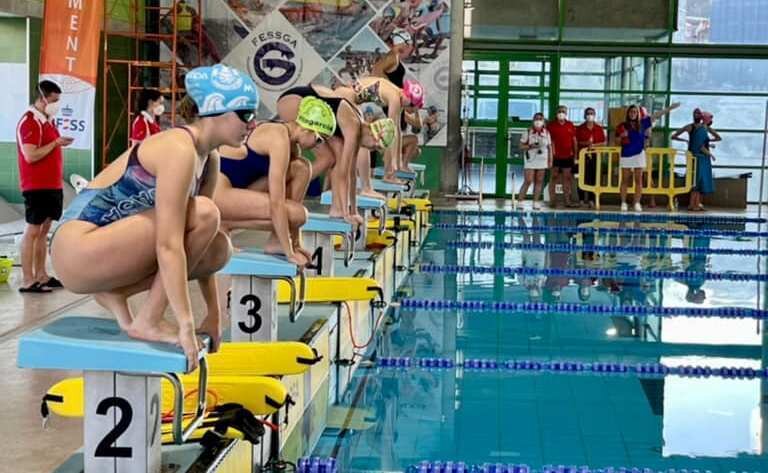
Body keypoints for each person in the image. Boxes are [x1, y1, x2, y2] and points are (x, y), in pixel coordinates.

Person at [51, 64, 259, 368]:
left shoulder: (208, 158)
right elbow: (169, 245)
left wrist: (213, 314)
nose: (252, 124)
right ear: (218, 112)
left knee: (219, 247)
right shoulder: (178, 148)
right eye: (247, 114)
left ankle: (116, 293)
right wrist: (185, 324)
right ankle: (148, 319)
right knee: (204, 214)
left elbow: (201, 239)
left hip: (108, 248)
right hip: (74, 249)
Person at [216, 97, 336, 266]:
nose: (318, 145)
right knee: (298, 214)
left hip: (240, 188)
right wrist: (290, 254)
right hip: (219, 195)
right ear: (307, 129)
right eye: (319, 139)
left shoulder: (291, 143)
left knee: (302, 167)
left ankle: (276, 242)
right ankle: (224, 223)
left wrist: (296, 244)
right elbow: (276, 202)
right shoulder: (278, 138)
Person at [277, 85, 397, 227]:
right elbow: (343, 173)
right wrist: (348, 214)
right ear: (373, 136)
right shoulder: (353, 127)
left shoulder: (356, 130)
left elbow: (352, 174)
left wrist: (354, 210)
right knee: (331, 157)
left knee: (334, 157)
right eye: (375, 147)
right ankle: (286, 188)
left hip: (305, 100)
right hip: (294, 100)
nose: (372, 150)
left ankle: (336, 209)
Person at [15, 80, 73, 293]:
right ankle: (28, 279)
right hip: (36, 185)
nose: (57, 104)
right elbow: (30, 156)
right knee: (32, 230)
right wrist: (55, 143)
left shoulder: (48, 121)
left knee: (44, 230)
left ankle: (42, 275)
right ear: (42, 98)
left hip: (52, 184)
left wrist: (57, 142)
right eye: (54, 100)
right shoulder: (29, 122)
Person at [332, 76, 425, 186]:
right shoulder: (395, 99)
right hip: (345, 98)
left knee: (362, 139)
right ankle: (369, 185)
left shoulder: (398, 94)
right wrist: (393, 165)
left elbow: (397, 131)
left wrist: (397, 161)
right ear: (409, 101)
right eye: (413, 109)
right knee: (362, 140)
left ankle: (372, 181)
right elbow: (392, 133)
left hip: (345, 96)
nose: (410, 111)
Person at [615, 102, 680, 212]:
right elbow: (615, 141)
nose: (633, 114)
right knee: (625, 180)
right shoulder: (622, 126)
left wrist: (669, 108)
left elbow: (657, 115)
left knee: (638, 180)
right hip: (626, 155)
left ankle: (636, 203)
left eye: (635, 112)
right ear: (628, 114)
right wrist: (621, 137)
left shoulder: (643, 123)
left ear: (638, 113)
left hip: (639, 154)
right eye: (631, 112)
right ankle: (623, 202)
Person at [671, 109, 721, 211]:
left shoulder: (704, 127)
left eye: (698, 113)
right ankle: (693, 204)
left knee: (699, 181)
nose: (697, 115)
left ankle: (696, 203)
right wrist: (685, 140)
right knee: (695, 181)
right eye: (696, 113)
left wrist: (708, 142)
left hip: (701, 157)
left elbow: (717, 138)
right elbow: (674, 136)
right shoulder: (692, 127)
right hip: (696, 157)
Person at [517, 112, 552, 210]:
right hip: (530, 160)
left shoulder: (547, 133)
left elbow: (550, 147)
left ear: (543, 121)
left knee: (539, 181)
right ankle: (520, 200)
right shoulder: (528, 132)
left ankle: (536, 202)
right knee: (528, 180)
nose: (538, 121)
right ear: (533, 120)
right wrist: (530, 146)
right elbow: (520, 146)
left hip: (542, 159)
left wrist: (550, 160)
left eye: (540, 119)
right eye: (536, 119)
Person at [575, 107, 607, 208]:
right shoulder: (580, 129)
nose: (590, 115)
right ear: (585, 116)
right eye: (588, 113)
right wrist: (586, 144)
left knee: (594, 178)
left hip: (595, 157)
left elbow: (604, 143)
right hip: (583, 157)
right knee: (582, 178)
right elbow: (577, 142)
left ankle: (591, 199)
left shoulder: (599, 128)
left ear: (595, 115)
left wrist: (593, 146)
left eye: (592, 113)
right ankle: (581, 199)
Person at [547, 105, 578, 208]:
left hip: (568, 156)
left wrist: (575, 155)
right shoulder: (551, 126)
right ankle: (552, 200)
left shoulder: (570, 125)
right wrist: (551, 155)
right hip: (555, 156)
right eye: (559, 111)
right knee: (554, 177)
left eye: (563, 111)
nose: (561, 113)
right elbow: (549, 142)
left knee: (567, 178)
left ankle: (567, 201)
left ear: (566, 113)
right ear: (557, 113)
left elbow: (574, 141)